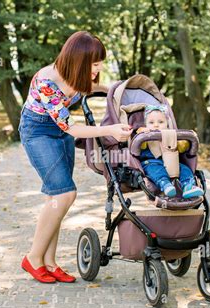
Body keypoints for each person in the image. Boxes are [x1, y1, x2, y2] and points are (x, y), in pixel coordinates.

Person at [19, 31, 132, 283]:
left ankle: (49, 262)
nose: (98, 68)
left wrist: (117, 88)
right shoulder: (47, 82)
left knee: (55, 197)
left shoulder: (76, 75)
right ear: (78, 61)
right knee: (64, 193)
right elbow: (71, 128)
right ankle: (33, 258)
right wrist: (110, 130)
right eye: (94, 64)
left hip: (59, 132)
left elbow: (91, 88)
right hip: (38, 132)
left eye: (100, 62)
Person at [136, 104, 204, 199]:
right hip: (151, 161)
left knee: (184, 169)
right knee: (155, 170)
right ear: (146, 124)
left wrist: (184, 141)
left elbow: (181, 147)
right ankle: (165, 185)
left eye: (161, 122)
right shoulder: (146, 134)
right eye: (151, 122)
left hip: (172, 162)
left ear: (167, 123)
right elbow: (140, 146)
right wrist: (142, 132)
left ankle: (188, 186)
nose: (156, 125)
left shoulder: (171, 134)